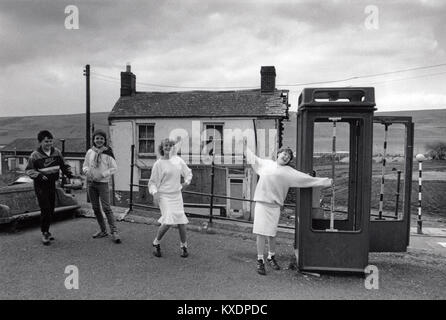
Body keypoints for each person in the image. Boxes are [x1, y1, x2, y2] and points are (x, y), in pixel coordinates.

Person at [244, 140, 332, 275]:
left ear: (289, 160)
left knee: (272, 234)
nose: (285, 157)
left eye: (288, 156)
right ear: (278, 154)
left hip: (275, 206)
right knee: (261, 233)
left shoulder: (290, 172)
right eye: (284, 154)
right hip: (262, 204)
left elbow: (307, 180)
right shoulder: (266, 164)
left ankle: (271, 257)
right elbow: (252, 158)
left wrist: (326, 181)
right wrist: (244, 146)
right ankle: (260, 260)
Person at [26, 130, 73, 245]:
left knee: (51, 209)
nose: (49, 144)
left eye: (50, 141)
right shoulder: (34, 155)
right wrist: (39, 175)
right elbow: (29, 170)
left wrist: (69, 173)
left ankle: (46, 230)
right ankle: (45, 233)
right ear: (40, 142)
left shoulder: (56, 152)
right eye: (46, 142)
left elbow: (63, 165)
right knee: (45, 209)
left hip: (52, 184)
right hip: (41, 186)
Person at [148, 138, 193, 258]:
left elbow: (188, 173)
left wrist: (186, 183)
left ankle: (184, 246)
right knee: (168, 221)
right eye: (166, 145)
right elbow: (152, 182)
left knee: (181, 222)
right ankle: (156, 243)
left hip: (177, 195)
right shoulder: (158, 164)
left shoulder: (178, 160)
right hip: (164, 196)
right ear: (162, 148)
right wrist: (155, 193)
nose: (168, 147)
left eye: (171, 145)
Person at [83, 129, 121, 243]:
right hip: (91, 183)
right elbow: (85, 165)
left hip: (103, 183)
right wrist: (86, 172)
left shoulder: (108, 153)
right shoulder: (90, 152)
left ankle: (114, 231)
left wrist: (102, 175)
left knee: (106, 208)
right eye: (97, 138)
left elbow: (114, 168)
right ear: (94, 140)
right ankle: (103, 230)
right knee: (95, 208)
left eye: (101, 138)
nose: (99, 140)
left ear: (105, 140)